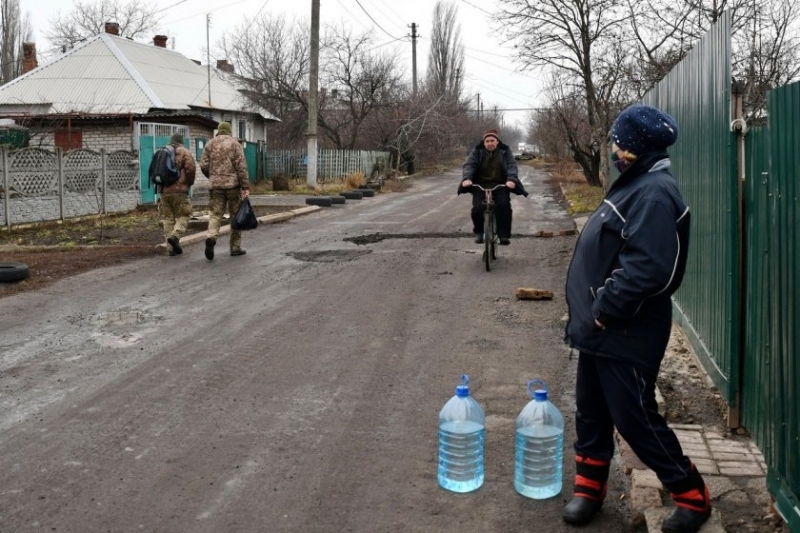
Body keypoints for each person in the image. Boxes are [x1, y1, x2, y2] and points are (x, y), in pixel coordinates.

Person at [563, 105, 710, 533]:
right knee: (591, 409)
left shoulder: (654, 193)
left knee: (634, 417)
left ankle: (691, 495)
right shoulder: (636, 183)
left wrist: (605, 311)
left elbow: (648, 268)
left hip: (625, 328)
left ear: (636, 147)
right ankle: (589, 489)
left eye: (618, 142)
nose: (613, 149)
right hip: (601, 328)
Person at [458, 129, 527, 245]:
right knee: (477, 209)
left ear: (497, 141)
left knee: (503, 205)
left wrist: (511, 180)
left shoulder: (505, 150)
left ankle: (503, 235)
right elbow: (469, 165)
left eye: (492, 141)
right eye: (487, 141)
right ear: (484, 143)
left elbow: (511, 166)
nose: (490, 143)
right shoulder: (477, 151)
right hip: (480, 185)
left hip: (501, 184)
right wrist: (467, 179)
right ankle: (479, 232)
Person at [199, 121, 250, 260]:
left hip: (215, 187)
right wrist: (245, 187)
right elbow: (241, 167)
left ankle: (211, 237)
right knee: (235, 216)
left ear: (219, 131)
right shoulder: (235, 144)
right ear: (229, 131)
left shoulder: (210, 144)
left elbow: (203, 164)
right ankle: (235, 247)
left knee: (215, 215)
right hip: (232, 186)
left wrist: (212, 177)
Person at [158, 133, 196, 257]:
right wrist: (188, 183)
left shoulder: (161, 152)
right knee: (185, 214)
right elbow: (190, 169)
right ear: (181, 142)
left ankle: (171, 249)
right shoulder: (185, 152)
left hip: (164, 191)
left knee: (168, 219)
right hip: (180, 191)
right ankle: (175, 236)